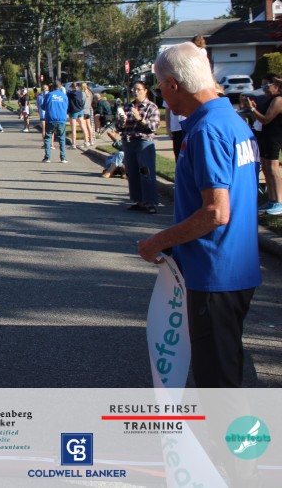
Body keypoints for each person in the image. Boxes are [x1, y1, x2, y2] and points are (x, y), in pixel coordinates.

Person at [137, 42, 261, 388]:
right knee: (225, 368)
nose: (162, 96)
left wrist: (158, 241)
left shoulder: (207, 130)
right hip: (237, 266)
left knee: (217, 381)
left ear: (173, 84)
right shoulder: (232, 122)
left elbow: (215, 212)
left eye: (160, 86)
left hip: (214, 272)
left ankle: (226, 428)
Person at [122, 81, 161, 213]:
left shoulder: (152, 107)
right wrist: (121, 122)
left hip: (144, 142)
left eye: (138, 89)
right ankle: (138, 201)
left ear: (145, 91)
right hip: (129, 141)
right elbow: (120, 127)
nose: (135, 92)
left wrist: (139, 118)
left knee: (146, 172)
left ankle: (150, 202)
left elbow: (153, 127)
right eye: (134, 89)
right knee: (132, 173)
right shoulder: (128, 107)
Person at [247, 76, 282, 215]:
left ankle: (279, 201)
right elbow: (259, 118)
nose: (265, 89)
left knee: (273, 169)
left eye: (267, 85)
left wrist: (251, 109)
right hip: (264, 136)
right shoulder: (269, 99)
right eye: (263, 86)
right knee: (266, 169)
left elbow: (266, 119)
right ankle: (272, 199)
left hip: (274, 137)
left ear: (276, 86)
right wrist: (254, 109)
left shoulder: (278, 100)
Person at [42, 81, 69, 163]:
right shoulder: (64, 96)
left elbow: (43, 107)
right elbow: (66, 107)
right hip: (61, 118)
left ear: (52, 87)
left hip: (50, 118)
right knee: (62, 138)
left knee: (48, 137)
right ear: (60, 87)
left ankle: (47, 157)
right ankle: (63, 157)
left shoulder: (49, 95)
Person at [66, 83, 86, 149]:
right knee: (83, 126)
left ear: (72, 87)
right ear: (77, 87)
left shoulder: (69, 94)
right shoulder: (80, 93)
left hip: (73, 111)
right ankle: (86, 141)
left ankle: (74, 144)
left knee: (73, 128)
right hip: (80, 110)